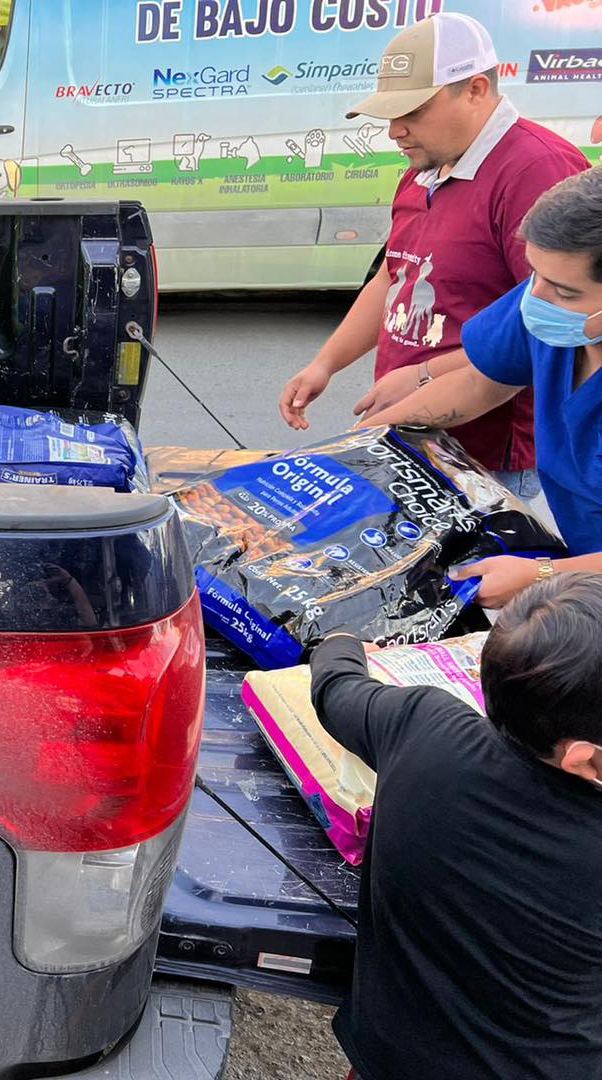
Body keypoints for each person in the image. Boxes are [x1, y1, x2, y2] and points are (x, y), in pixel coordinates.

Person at [277, 13, 587, 498]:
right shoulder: (427, 164)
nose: (395, 131)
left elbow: (544, 326)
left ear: (477, 90)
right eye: (390, 114)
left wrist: (421, 376)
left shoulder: (536, 169)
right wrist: (325, 364)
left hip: (483, 455)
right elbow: (392, 275)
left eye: (413, 112)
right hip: (408, 432)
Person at [310, 573, 602, 1080]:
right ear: (586, 760)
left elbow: (335, 688)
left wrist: (339, 643)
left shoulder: (422, 724)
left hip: (386, 1058)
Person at [363, 167, 602, 608]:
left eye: (566, 293)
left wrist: (541, 574)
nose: (538, 300)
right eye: (534, 275)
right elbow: (479, 382)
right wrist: (355, 446)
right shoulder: (545, 307)